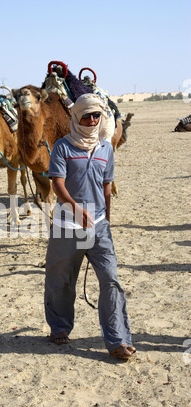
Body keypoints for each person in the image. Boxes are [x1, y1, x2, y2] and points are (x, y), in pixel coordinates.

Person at [44, 93, 135, 360]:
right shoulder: (62, 147)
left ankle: (118, 340)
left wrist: (106, 218)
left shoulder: (106, 148)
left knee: (111, 280)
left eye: (97, 115)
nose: (92, 120)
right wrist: (74, 207)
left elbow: (107, 186)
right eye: (87, 115)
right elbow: (57, 184)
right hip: (67, 225)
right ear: (76, 117)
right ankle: (59, 327)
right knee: (60, 280)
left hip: (99, 226)